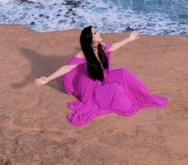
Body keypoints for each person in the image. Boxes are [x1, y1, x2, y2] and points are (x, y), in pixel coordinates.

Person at [35, 26, 168, 127]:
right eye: (95, 33)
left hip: (104, 77)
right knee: (116, 90)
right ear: (90, 39)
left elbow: (113, 47)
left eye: (97, 31)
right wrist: (47, 79)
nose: (99, 33)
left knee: (124, 73)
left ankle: (142, 95)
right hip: (92, 87)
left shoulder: (101, 46)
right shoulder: (83, 53)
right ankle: (119, 98)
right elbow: (68, 67)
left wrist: (129, 39)